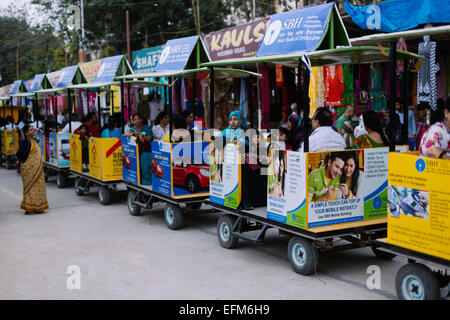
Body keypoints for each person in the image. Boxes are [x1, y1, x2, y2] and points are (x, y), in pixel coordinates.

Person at [15, 125, 49, 214]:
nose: (33, 131)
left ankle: (38, 207)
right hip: (28, 169)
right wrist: (26, 162)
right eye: (30, 130)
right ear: (26, 133)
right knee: (29, 188)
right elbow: (18, 154)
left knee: (38, 187)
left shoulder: (34, 141)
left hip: (38, 169)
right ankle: (29, 207)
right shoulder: (25, 142)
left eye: (33, 129)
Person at [125, 113, 153, 184]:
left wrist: (141, 136)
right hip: (136, 152)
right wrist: (135, 134)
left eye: (138, 119)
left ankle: (146, 182)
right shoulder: (132, 129)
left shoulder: (147, 128)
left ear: (142, 119)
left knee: (147, 168)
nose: (137, 121)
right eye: (135, 119)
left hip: (146, 151)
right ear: (132, 122)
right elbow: (127, 134)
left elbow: (149, 138)